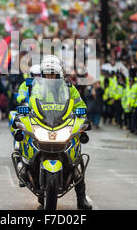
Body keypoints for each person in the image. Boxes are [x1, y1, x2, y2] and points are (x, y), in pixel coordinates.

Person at [37, 55, 92, 210]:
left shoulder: (68, 87)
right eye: (47, 73)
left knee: (76, 162)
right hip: (45, 124)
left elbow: (80, 104)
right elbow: (32, 101)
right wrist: (27, 112)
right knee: (31, 149)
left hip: (63, 125)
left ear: (58, 73)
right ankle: (39, 188)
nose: (50, 76)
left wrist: (82, 117)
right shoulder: (38, 87)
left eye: (52, 73)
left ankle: (81, 200)